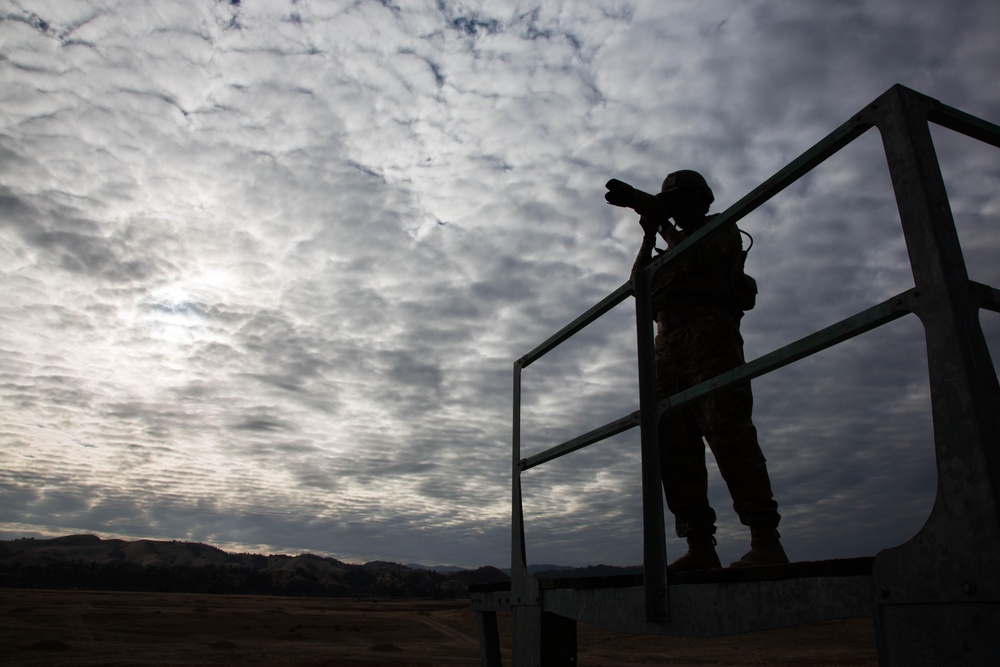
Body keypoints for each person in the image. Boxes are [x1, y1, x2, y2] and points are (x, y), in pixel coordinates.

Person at [624, 170, 788, 571]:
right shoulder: (666, 244)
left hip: (710, 336)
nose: (677, 210)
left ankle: (765, 539)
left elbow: (696, 256)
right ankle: (699, 544)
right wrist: (649, 232)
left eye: (681, 200)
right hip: (667, 345)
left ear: (701, 200)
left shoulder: (720, 230)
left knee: (728, 431)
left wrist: (661, 222)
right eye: (671, 202)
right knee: (673, 444)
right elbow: (637, 290)